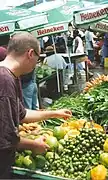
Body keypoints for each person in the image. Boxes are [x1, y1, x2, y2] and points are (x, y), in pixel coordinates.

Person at [0, 32, 72, 178]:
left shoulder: (10, 76)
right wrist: (34, 145)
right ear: (30, 53)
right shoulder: (4, 80)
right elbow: (5, 137)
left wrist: (54, 113)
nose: (36, 64)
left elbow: (22, 114)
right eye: (37, 59)